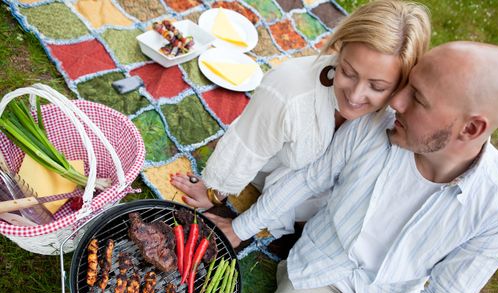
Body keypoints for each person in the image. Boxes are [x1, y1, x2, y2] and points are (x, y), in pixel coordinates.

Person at [206, 41, 498, 293]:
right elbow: (309, 179)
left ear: (470, 129)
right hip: (318, 279)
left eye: (419, 99)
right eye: (407, 85)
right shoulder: (377, 123)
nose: (397, 101)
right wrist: (239, 229)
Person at [170, 0, 431, 238]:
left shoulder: (396, 117)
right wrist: (214, 192)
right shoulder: (288, 91)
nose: (355, 95)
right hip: (274, 175)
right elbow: (249, 146)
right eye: (349, 72)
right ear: (339, 50)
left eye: (377, 86)